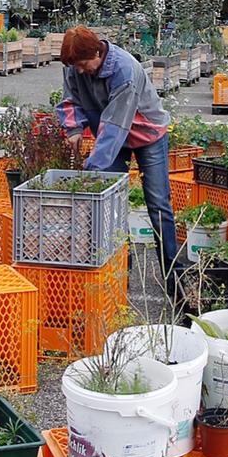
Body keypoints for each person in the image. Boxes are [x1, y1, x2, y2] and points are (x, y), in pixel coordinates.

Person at [56, 26, 181, 272]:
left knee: (157, 203)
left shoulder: (124, 70)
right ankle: (121, 269)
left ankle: (173, 272)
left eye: (82, 64)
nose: (79, 71)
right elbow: (69, 99)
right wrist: (73, 128)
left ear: (97, 54)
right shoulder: (75, 68)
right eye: (75, 67)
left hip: (147, 133)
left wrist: (91, 170)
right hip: (112, 135)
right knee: (111, 204)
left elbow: (115, 125)